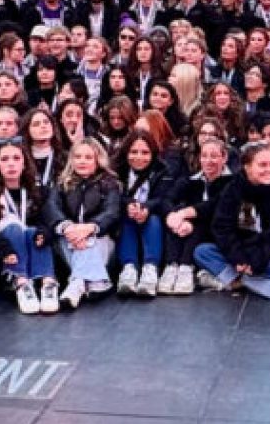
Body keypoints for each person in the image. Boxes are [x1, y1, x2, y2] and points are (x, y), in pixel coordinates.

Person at [196, 140, 270, 298]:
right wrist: (238, 258)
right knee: (202, 251)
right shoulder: (233, 189)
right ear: (247, 166)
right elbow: (222, 227)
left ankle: (234, 282)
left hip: (266, 253)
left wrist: (257, 259)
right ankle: (256, 284)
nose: (269, 170)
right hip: (241, 251)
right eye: (262, 165)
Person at [0, 141, 59, 314]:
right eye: (5, 159)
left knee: (35, 231)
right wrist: (3, 247)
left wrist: (45, 233)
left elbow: (49, 222)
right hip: (3, 257)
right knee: (12, 225)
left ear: (25, 163)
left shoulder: (40, 191)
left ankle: (48, 284)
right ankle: (21, 283)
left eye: (16, 158)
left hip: (34, 254)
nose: (11, 164)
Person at [44, 138, 121, 309]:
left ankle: (77, 283)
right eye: (77, 157)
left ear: (98, 160)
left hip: (100, 240)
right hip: (69, 239)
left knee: (90, 242)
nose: (82, 161)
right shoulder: (61, 183)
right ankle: (96, 283)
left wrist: (90, 228)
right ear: (71, 160)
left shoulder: (110, 184)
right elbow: (51, 207)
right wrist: (67, 227)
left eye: (88, 157)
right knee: (79, 242)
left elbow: (112, 212)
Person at [160, 136, 234, 295]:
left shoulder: (233, 182)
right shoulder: (191, 179)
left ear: (224, 158)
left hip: (218, 234)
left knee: (195, 220)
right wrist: (173, 217)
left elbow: (215, 205)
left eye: (214, 156)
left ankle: (186, 267)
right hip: (189, 232)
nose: (208, 161)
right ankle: (172, 267)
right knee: (177, 217)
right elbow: (167, 199)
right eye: (204, 156)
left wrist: (185, 214)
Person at [114, 131, 174, 298]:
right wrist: (128, 205)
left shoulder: (163, 171)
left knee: (153, 219)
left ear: (153, 153)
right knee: (127, 220)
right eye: (134, 152)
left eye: (145, 152)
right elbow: (113, 197)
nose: (139, 157)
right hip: (126, 220)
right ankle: (128, 269)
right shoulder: (116, 171)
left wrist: (146, 207)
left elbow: (164, 199)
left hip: (153, 220)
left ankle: (150, 269)